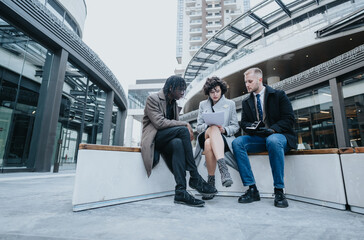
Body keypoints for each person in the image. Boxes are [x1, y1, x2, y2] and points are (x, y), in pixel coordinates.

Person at [141, 75, 218, 207]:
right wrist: (184, 124)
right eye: (180, 90)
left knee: (177, 143)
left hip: (167, 140)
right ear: (171, 88)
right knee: (182, 130)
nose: (183, 93)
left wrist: (182, 125)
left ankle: (180, 191)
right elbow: (159, 123)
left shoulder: (174, 103)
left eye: (184, 90)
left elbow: (172, 127)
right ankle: (194, 177)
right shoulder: (153, 99)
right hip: (154, 138)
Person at [232, 68, 296, 208]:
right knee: (237, 143)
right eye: (245, 82)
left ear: (260, 80)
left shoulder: (279, 95)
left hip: (279, 136)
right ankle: (252, 189)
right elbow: (244, 123)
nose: (247, 85)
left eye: (250, 81)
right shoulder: (246, 101)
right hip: (259, 138)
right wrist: (253, 127)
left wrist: (272, 129)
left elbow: (289, 119)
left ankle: (279, 190)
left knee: (272, 140)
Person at [195, 76, 239, 200]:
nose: (215, 94)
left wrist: (224, 129)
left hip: (222, 138)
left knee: (209, 143)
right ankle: (224, 170)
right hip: (205, 134)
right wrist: (208, 125)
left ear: (222, 90)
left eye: (217, 91)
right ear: (208, 92)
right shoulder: (202, 104)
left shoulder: (230, 104)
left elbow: (235, 126)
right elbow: (198, 127)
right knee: (212, 129)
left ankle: (211, 182)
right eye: (212, 92)